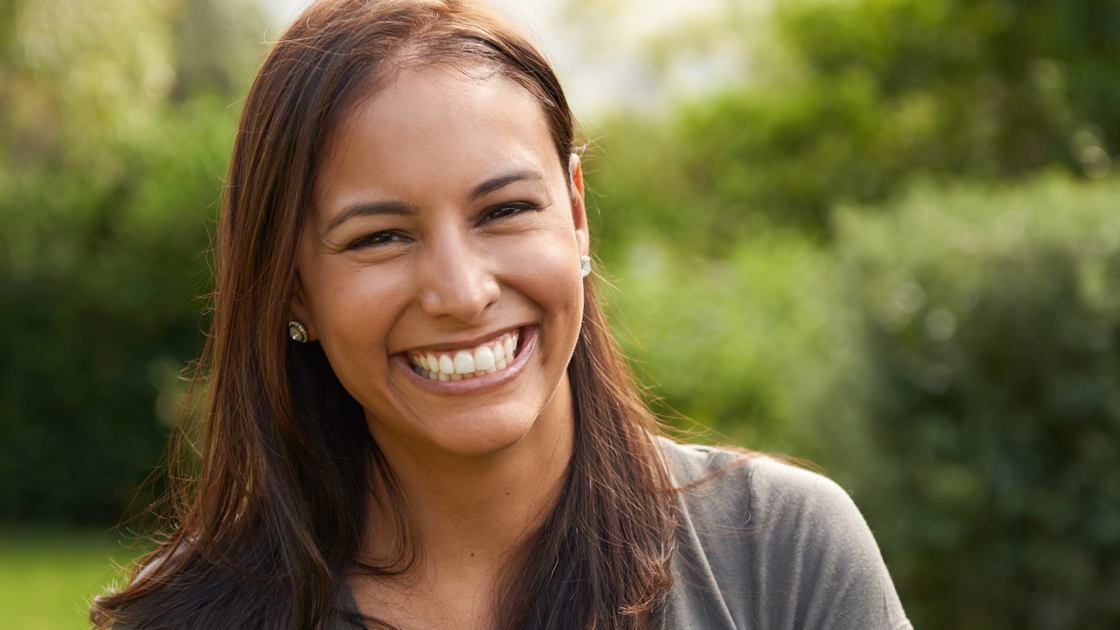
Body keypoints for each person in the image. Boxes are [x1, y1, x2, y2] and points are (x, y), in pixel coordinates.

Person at [91, 1, 912, 628]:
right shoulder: (183, 618)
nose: (462, 291)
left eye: (505, 211)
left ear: (578, 215)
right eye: (380, 235)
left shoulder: (782, 558)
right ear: (292, 287)